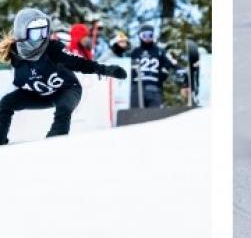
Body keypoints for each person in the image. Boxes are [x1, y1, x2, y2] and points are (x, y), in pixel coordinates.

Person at [0, 8, 127, 144]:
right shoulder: (15, 56)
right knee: (6, 103)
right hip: (39, 94)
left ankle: (55, 141)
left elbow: (79, 63)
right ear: (22, 33)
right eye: (37, 33)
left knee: (63, 108)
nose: (42, 38)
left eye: (45, 32)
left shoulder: (52, 50)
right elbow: (13, 86)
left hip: (67, 90)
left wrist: (106, 70)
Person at [129, 24, 187, 108]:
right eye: (144, 35)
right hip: (136, 88)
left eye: (150, 35)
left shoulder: (160, 51)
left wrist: (179, 71)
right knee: (134, 114)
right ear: (140, 36)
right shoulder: (134, 52)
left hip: (154, 88)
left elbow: (172, 63)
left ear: (153, 36)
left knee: (154, 115)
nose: (147, 38)